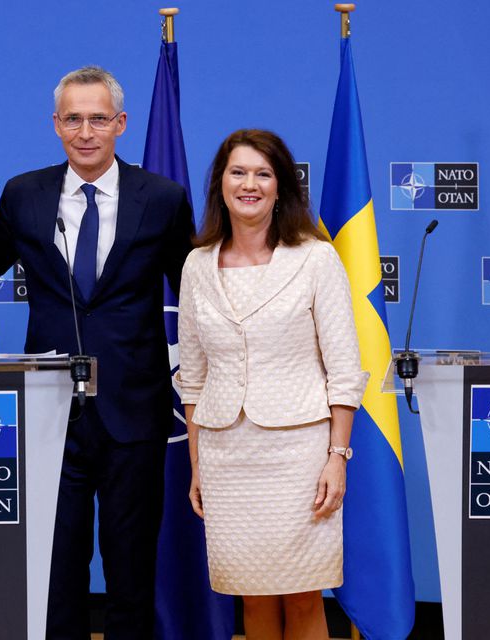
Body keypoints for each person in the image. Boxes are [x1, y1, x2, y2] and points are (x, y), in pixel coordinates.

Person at [0, 66, 195, 639]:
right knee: (56, 572)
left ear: (120, 123)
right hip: (50, 416)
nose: (86, 131)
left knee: (132, 572)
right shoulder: (23, 194)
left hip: (135, 413)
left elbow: (199, 294)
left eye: (98, 118)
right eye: (73, 118)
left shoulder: (164, 198)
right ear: (56, 125)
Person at [177, 129, 369, 639]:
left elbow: (345, 370)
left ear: (281, 186)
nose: (250, 184)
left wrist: (337, 457)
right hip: (226, 457)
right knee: (252, 593)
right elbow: (192, 379)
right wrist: (197, 465)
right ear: (220, 183)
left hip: (300, 456)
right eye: (238, 172)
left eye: (263, 174)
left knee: (304, 594)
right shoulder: (197, 265)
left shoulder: (315, 258)